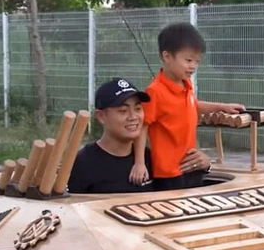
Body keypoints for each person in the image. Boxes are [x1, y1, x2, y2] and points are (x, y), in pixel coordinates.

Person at [130, 22, 245, 191]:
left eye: (197, 61)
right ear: (167, 56)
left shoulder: (186, 84)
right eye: (188, 60)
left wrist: (222, 107)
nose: (193, 66)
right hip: (169, 174)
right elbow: (142, 126)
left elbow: (193, 105)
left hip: (192, 166)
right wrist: (139, 163)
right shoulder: (155, 92)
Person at [66, 77, 213, 194]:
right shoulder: (83, 163)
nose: (133, 117)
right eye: (123, 111)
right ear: (101, 116)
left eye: (138, 109)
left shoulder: (151, 158)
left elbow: (181, 189)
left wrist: (205, 164)